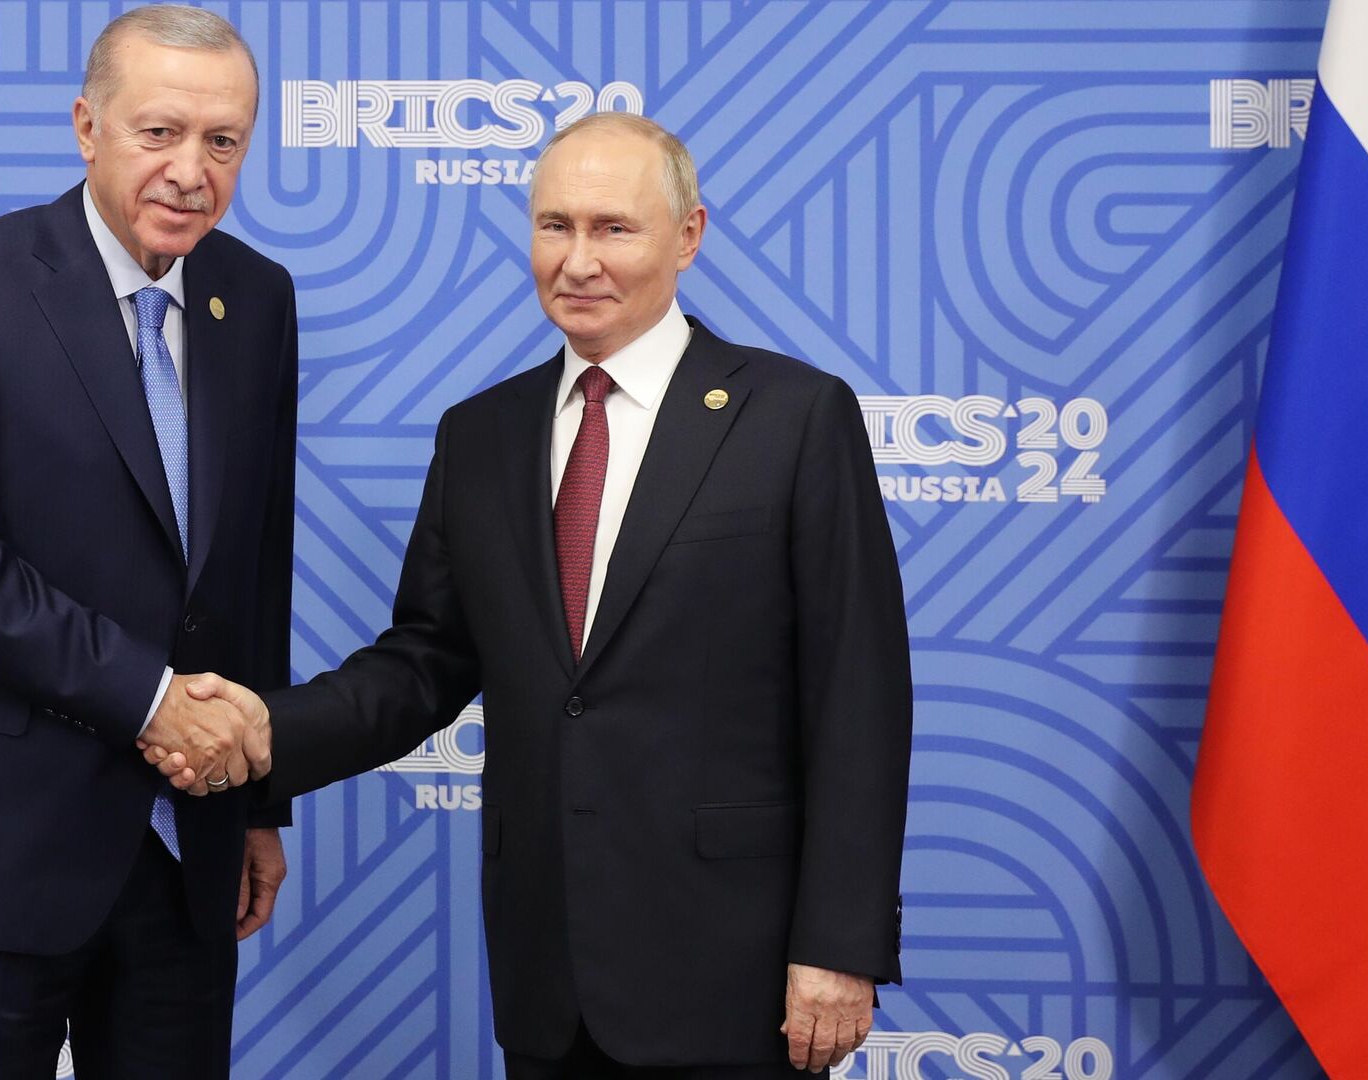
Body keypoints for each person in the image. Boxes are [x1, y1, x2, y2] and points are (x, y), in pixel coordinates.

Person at [155, 112, 913, 1078]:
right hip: (547, 978)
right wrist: (266, 731)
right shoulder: (481, 434)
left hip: (741, 973)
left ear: (688, 236)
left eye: (613, 228)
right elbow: (424, 663)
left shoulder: (796, 418)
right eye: (555, 226)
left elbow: (858, 697)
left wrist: (840, 944)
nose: (577, 260)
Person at [0, 7, 291, 1077]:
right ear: (87, 127)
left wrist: (255, 803)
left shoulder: (257, 296)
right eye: (160, 132)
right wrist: (151, 699)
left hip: (186, 849)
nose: (191, 172)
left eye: (224, 140)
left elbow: (252, 567)